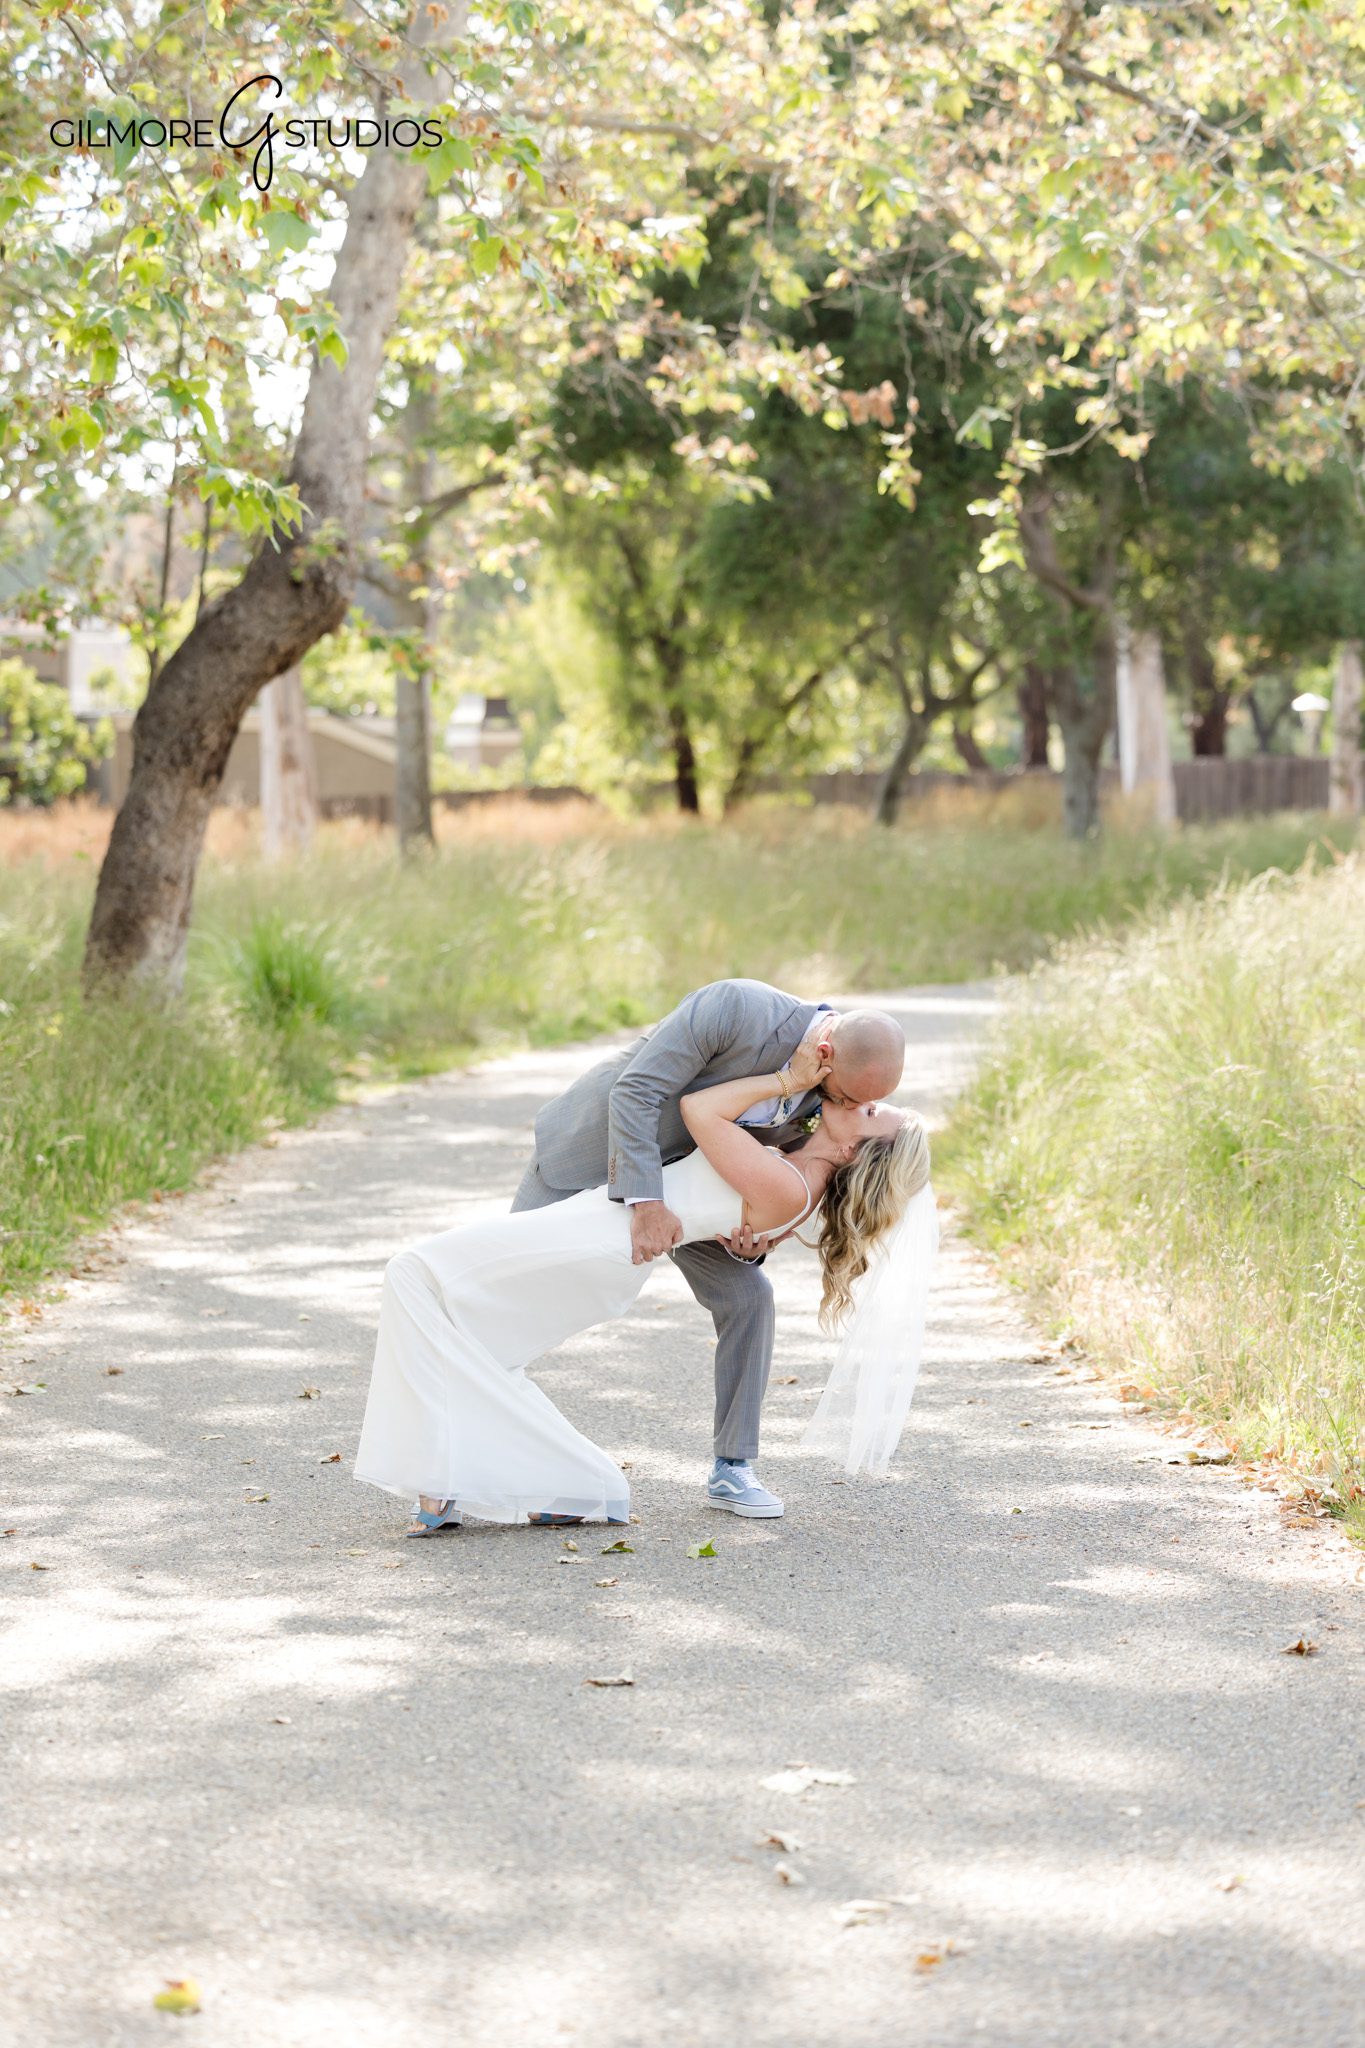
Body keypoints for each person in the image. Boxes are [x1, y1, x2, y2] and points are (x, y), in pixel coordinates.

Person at [353, 1027, 932, 1537]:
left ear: (857, 1148)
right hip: (599, 1230)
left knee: (412, 1273)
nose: (866, 1101)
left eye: (875, 1111)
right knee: (477, 1342)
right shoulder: (793, 1163)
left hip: (601, 1240)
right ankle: (569, 1485)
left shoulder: (788, 1184)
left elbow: (701, 1110)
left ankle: (446, 1478)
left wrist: (785, 1079)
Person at [511, 979, 906, 1517]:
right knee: (513, 1300)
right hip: (600, 1155)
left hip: (693, 1200)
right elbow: (637, 1092)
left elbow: (788, 1170)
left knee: (749, 1297)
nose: (848, 1108)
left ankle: (733, 1468)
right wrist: (647, 1201)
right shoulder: (735, 1008)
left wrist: (748, 1243)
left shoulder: (840, 1087)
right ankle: (465, 1469)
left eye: (866, 1104)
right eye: (846, 1097)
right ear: (826, 1052)